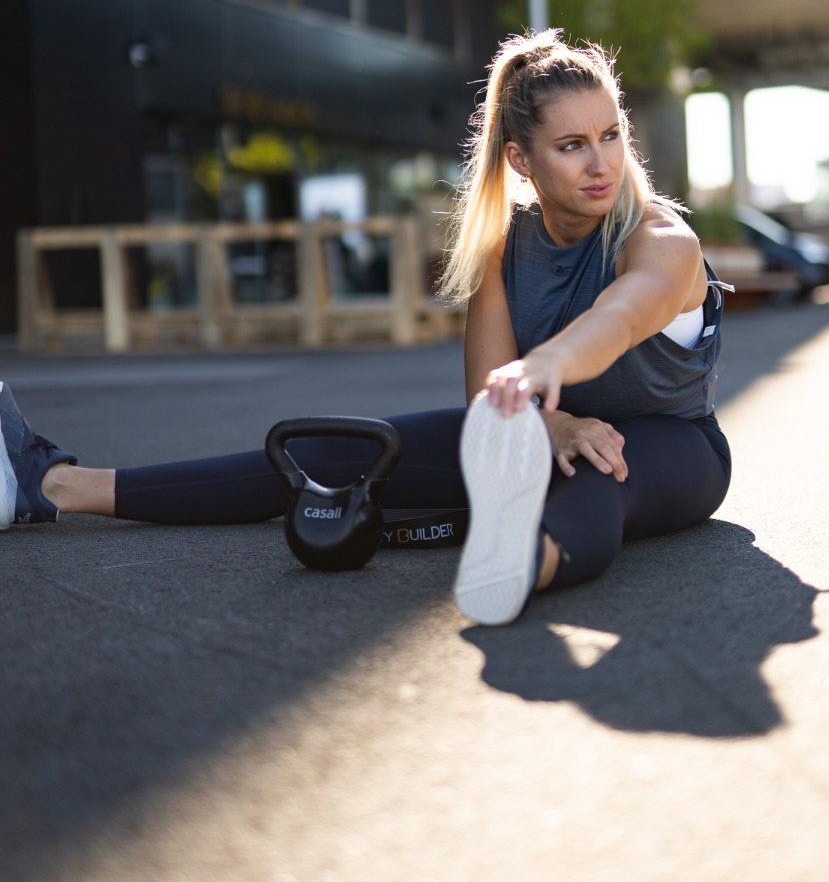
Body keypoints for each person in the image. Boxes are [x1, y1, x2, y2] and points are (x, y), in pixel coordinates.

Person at [0, 30, 731, 626]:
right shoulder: (507, 247)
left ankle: (515, 567)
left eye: (610, 135)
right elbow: (487, 404)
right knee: (329, 452)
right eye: (572, 145)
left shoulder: (661, 240)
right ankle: (55, 485)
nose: (601, 163)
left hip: (672, 446)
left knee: (595, 477)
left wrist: (546, 371)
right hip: (540, 430)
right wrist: (551, 421)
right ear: (521, 159)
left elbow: (621, 316)